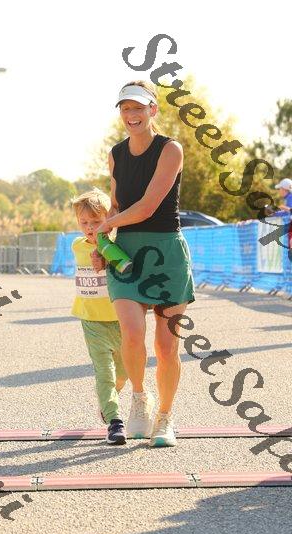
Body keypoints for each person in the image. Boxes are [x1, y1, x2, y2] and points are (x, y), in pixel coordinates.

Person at [94, 80, 195, 447]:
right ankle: (139, 398)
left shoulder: (171, 149)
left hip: (166, 253)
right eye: (125, 109)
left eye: (138, 107)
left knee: (167, 347)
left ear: (153, 110)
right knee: (132, 334)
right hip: (127, 255)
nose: (131, 115)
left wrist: (108, 224)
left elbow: (149, 206)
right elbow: (118, 205)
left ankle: (165, 417)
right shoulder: (115, 154)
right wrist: (103, 242)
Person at [71, 189, 128, 445]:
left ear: (108, 220)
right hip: (92, 320)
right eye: (84, 222)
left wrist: (106, 254)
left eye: (95, 221)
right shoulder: (76, 245)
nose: (89, 228)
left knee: (124, 373)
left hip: (121, 319)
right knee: (104, 372)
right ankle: (115, 421)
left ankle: (109, 400)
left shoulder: (118, 246)